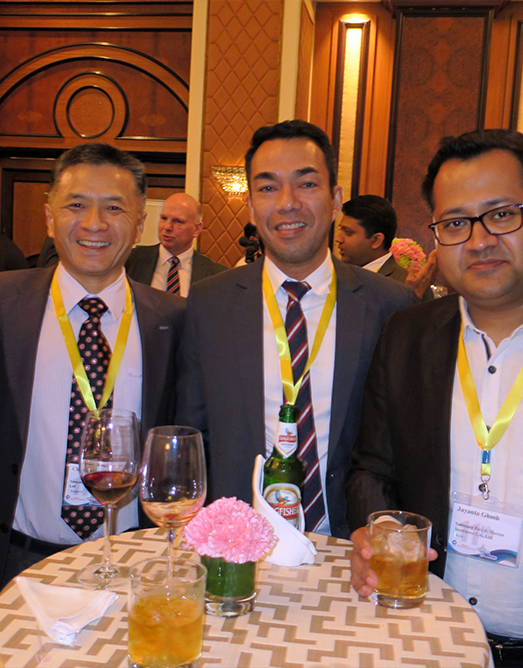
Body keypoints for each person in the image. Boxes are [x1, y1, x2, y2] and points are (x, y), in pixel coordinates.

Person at [347, 129, 523, 667]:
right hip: (428, 635)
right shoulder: (407, 335)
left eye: (502, 214)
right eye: (456, 223)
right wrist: (384, 533)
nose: (480, 240)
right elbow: (373, 467)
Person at [0, 142, 184, 658]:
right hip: (18, 556)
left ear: (140, 222)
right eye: (76, 204)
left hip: (132, 560)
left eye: (114, 207)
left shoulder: (174, 319)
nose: (94, 223)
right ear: (48, 216)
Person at [176, 120, 416, 539]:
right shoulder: (209, 303)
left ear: (335, 199)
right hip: (240, 544)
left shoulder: (390, 305)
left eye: (306, 184)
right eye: (268, 188)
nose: (287, 203)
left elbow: (400, 446)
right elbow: (193, 435)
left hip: (349, 543)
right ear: (251, 206)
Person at [125, 192, 227, 296]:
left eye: (178, 221)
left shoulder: (217, 275)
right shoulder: (129, 260)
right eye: (164, 218)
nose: (167, 227)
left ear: (197, 229)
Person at [335, 194, 407, 282]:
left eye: (348, 233)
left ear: (376, 240)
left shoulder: (402, 283)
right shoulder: (339, 275)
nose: (338, 239)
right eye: (340, 230)